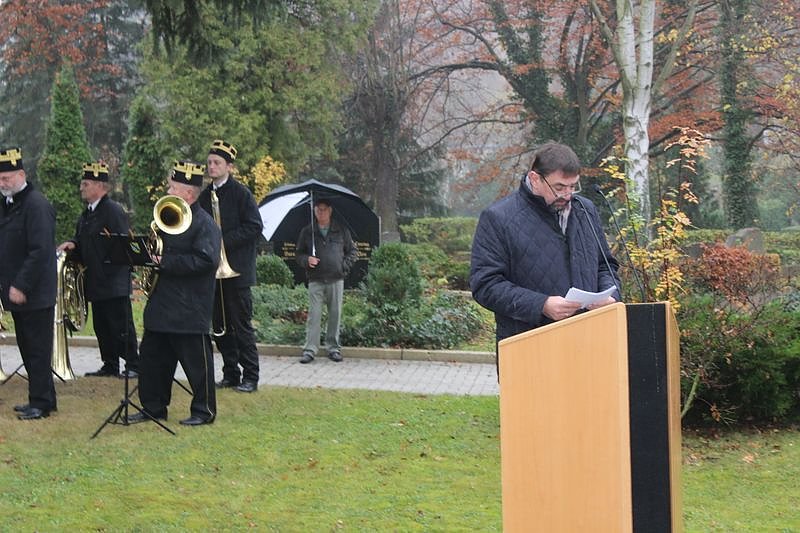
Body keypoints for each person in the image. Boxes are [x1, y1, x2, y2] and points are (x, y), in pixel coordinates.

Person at [470, 141, 621, 346]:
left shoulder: (586, 210)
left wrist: (610, 296)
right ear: (535, 178)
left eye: (573, 186)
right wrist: (541, 305)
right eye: (559, 187)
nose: (567, 195)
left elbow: (606, 265)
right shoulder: (498, 218)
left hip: (590, 342)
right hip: (528, 347)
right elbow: (485, 285)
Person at [127, 161, 221, 426]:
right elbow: (155, 252)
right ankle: (153, 407)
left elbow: (205, 261)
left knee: (197, 365)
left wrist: (164, 261)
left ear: (189, 194)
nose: (167, 190)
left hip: (190, 307)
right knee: (152, 360)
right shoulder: (165, 220)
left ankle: (203, 411)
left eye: (172, 187)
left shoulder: (205, 225)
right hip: (161, 304)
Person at [57, 162, 140, 379]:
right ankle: (109, 363)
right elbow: (84, 240)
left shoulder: (112, 211)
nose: (81, 188)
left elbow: (123, 243)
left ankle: (133, 364)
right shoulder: (86, 214)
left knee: (120, 324)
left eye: (85, 184)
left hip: (113, 280)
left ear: (99, 186)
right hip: (95, 280)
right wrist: (72, 245)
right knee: (102, 325)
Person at [198, 140, 263, 393]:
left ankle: (251, 376)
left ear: (229, 167)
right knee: (219, 326)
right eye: (210, 163)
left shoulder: (241, 194)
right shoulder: (205, 196)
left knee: (241, 325)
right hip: (215, 273)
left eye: (217, 163)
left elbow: (254, 226)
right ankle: (230, 373)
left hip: (238, 272)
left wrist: (224, 239)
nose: (212, 167)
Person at [0, 146, 58, 420]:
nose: (3, 182)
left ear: (22, 174)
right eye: (0, 178)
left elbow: (40, 251)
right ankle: (42, 397)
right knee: (28, 347)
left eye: (7, 177)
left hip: (34, 293)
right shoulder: (10, 205)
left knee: (37, 349)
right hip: (18, 292)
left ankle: (41, 402)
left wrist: (21, 285)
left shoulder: (36, 204)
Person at [295, 197, 357, 364]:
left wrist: (343, 267)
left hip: (336, 279)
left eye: (323, 209)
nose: (320, 212)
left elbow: (352, 251)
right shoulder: (308, 231)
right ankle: (310, 350)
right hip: (316, 280)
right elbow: (298, 254)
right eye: (317, 209)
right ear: (314, 211)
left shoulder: (341, 230)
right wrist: (306, 259)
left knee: (335, 315)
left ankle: (333, 348)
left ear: (330, 211)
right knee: (314, 316)